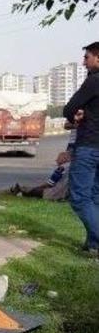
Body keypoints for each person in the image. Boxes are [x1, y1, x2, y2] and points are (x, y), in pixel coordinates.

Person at [61, 41, 99, 258]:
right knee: (94, 197)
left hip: (89, 148)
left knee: (79, 198)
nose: (84, 62)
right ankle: (93, 245)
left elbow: (69, 108)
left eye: (87, 57)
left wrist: (74, 116)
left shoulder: (94, 80)